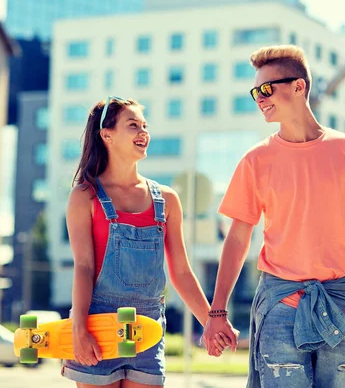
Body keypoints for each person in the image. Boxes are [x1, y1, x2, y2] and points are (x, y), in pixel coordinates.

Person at [202, 45, 345, 387]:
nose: (259, 98)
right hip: (280, 304)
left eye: (267, 88)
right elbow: (237, 238)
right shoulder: (255, 160)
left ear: (298, 86)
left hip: (343, 302)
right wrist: (217, 312)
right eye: (255, 91)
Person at [62, 97, 232, 387]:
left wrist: (212, 320)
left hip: (148, 329)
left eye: (144, 126)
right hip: (99, 324)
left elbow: (181, 271)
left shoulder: (166, 199)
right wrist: (79, 326)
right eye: (133, 126)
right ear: (107, 135)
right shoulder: (84, 196)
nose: (143, 133)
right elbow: (84, 267)